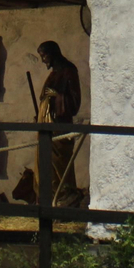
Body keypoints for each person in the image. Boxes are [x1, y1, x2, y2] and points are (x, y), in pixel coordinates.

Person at [36, 41, 82, 202]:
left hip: (59, 128)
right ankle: (50, 200)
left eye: (44, 56)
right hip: (46, 127)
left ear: (53, 54)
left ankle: (65, 198)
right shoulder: (53, 74)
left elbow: (74, 103)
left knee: (60, 164)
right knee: (46, 165)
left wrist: (57, 95)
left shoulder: (69, 71)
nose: (43, 60)